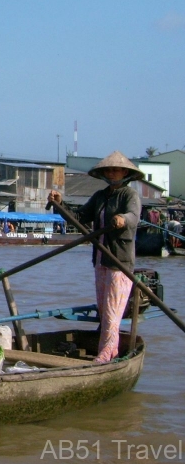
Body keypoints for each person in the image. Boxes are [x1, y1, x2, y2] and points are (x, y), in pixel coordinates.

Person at [47, 150, 142, 364]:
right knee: (104, 309)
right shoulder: (101, 196)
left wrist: (121, 219)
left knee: (112, 312)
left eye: (116, 170)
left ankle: (107, 354)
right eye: (108, 170)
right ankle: (107, 349)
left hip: (119, 262)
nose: (111, 173)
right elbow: (79, 218)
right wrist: (60, 204)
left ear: (125, 172)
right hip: (101, 259)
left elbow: (133, 216)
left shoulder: (129, 195)